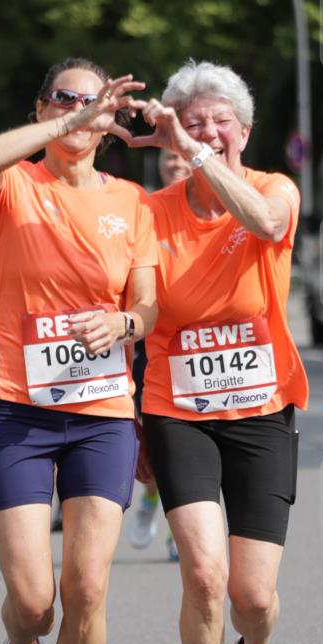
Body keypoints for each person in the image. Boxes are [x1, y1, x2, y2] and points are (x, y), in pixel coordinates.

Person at [0, 57, 156, 644]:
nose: (79, 110)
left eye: (92, 102)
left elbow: (147, 304)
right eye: (65, 98)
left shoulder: (132, 203)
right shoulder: (12, 184)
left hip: (101, 413)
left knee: (87, 587)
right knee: (36, 601)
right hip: (14, 408)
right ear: (45, 108)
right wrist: (62, 125)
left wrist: (126, 321)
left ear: (112, 121)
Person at [132, 60, 308, 644]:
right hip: (177, 410)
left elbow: (262, 222)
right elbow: (139, 310)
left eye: (219, 121)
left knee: (252, 595)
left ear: (243, 130)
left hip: (261, 412)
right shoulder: (150, 213)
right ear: (174, 129)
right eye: (192, 121)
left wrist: (197, 152)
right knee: (204, 576)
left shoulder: (273, 189)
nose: (208, 131)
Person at [127, 149, 192, 561]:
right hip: (149, 345)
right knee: (154, 445)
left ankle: (180, 532)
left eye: (185, 156)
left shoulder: (213, 209)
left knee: (196, 448)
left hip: (197, 348)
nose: (178, 163)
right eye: (170, 156)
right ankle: (151, 498)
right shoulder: (143, 211)